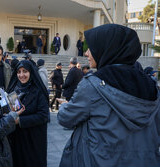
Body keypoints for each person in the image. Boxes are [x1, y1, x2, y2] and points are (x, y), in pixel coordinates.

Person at [57, 24, 160, 167]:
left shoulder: (92, 85)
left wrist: (65, 107)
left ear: (107, 49)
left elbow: (65, 119)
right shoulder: (152, 86)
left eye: (91, 48)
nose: (86, 53)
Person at [7, 60, 49, 167]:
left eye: (25, 71)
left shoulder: (39, 91)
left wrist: (20, 121)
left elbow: (43, 116)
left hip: (33, 140)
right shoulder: (14, 89)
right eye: (19, 72)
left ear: (31, 72)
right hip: (17, 138)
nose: (21, 75)